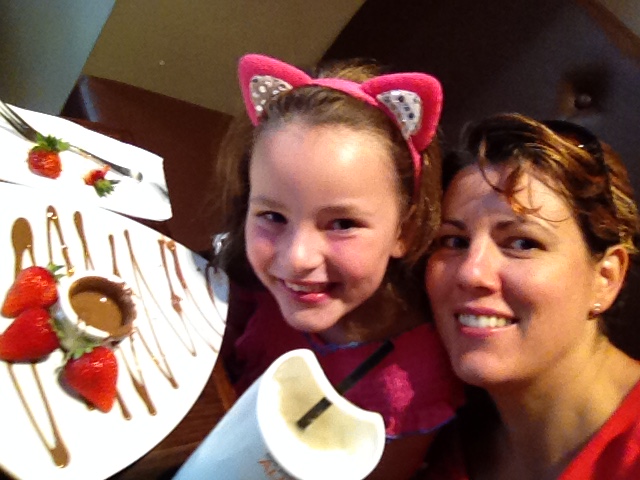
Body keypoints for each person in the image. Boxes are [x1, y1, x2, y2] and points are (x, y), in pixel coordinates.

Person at [212, 53, 464, 479]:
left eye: (343, 224)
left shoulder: (413, 385)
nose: (297, 258)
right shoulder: (258, 283)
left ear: (404, 230)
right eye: (273, 216)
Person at [423, 113, 640, 479]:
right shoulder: (424, 432)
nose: (471, 272)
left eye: (522, 243)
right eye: (454, 241)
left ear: (606, 278)